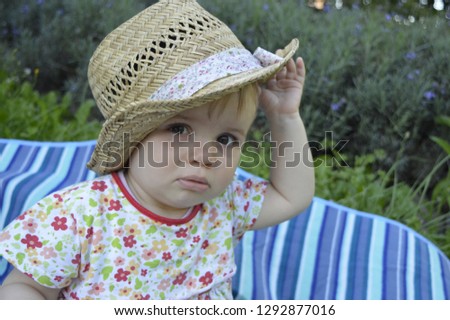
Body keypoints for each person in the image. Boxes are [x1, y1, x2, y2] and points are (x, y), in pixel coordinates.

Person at [0, 0, 314, 299]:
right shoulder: (80, 215)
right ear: (133, 139)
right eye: (179, 130)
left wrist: (284, 117)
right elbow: (25, 289)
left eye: (226, 139)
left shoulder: (223, 206)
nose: (204, 155)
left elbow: (292, 196)